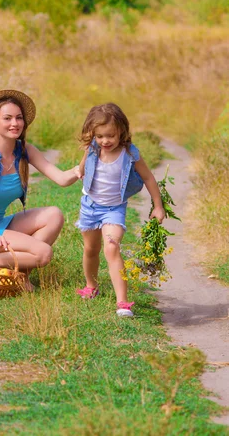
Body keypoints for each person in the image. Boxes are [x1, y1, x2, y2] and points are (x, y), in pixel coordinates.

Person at [0, 89, 80, 292]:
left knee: (54, 215)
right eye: (7, 118)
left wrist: (81, 167)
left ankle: (19, 275)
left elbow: (61, 178)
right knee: (43, 254)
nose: (14, 123)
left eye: (19, 118)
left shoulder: (25, 151)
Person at [75, 103, 165, 317]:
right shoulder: (93, 149)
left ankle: (122, 302)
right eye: (99, 136)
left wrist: (158, 206)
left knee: (112, 248)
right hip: (90, 206)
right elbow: (81, 170)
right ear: (92, 134)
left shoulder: (129, 153)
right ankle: (91, 286)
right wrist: (84, 162)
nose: (105, 141)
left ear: (121, 132)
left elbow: (148, 177)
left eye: (110, 136)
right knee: (91, 249)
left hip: (114, 209)